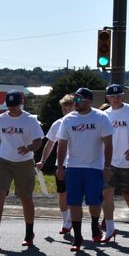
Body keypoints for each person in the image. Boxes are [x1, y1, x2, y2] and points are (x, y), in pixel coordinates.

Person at [55, 87, 113, 251]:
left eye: (79, 100)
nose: (76, 103)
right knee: (73, 202)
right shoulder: (68, 119)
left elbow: (108, 144)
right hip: (73, 167)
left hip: (94, 167)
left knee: (94, 201)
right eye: (75, 100)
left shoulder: (101, 117)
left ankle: (95, 224)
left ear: (89, 101)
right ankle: (78, 237)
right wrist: (60, 167)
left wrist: (107, 166)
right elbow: (62, 145)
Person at [0, 91, 44, 247]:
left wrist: (29, 148)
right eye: (9, 106)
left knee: (25, 197)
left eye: (15, 105)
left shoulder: (30, 120)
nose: (12, 108)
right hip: (3, 161)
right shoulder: (0, 119)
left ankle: (29, 233)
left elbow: (38, 141)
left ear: (21, 102)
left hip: (24, 162)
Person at [100, 84, 129, 241]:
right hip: (109, 162)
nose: (116, 98)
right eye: (113, 96)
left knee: (128, 196)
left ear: (122, 96)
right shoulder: (104, 115)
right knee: (107, 195)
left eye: (119, 95)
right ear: (108, 98)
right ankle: (110, 230)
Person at [37, 94, 75, 234]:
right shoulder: (58, 123)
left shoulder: (82, 121)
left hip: (78, 163)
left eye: (69, 108)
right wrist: (43, 160)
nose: (66, 111)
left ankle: (70, 220)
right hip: (62, 164)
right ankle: (66, 221)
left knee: (75, 193)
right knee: (62, 193)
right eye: (64, 108)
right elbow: (50, 144)